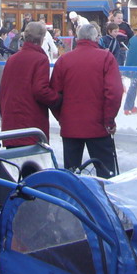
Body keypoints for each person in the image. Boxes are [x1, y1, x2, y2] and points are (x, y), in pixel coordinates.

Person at [50, 22, 122, 177]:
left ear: (77, 38)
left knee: (71, 176)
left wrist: (62, 118)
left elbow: (54, 94)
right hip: (99, 126)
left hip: (71, 127)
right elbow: (114, 92)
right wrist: (109, 120)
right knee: (106, 175)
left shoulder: (64, 61)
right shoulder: (106, 58)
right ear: (96, 38)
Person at [0, 21, 61, 146]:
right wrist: (58, 99)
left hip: (10, 120)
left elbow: (3, 90)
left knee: (13, 163)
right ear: (42, 39)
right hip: (31, 121)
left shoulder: (12, 59)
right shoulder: (40, 59)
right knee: (32, 162)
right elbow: (40, 90)